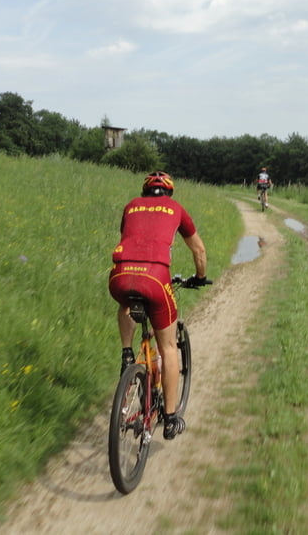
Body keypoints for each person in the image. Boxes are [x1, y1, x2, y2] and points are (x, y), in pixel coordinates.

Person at [108, 171, 208, 440]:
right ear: (169, 192)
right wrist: (199, 277)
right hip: (155, 278)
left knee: (126, 302)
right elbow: (198, 250)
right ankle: (172, 417)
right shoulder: (176, 209)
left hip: (119, 276)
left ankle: (127, 354)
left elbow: (130, 239)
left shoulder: (131, 206)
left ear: (145, 191)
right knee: (168, 346)